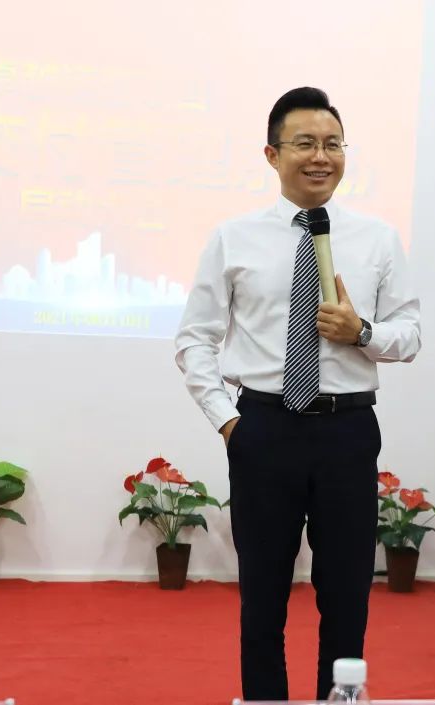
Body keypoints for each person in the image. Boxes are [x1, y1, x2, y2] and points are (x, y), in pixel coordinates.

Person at [174, 86, 421, 701]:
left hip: (346, 432)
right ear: (272, 154)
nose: (321, 156)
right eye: (305, 143)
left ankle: (340, 701)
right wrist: (229, 422)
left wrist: (360, 331)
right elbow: (195, 339)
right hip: (264, 429)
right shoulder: (233, 238)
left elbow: (410, 335)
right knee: (262, 598)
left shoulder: (378, 238)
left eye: (333, 144)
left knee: (347, 597)